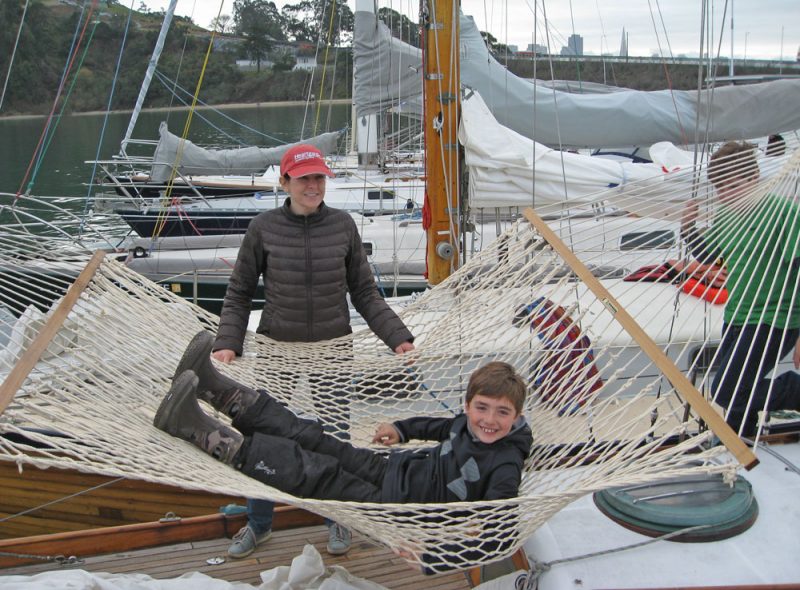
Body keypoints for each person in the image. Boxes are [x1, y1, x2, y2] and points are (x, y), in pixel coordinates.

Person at [156, 331, 532, 571]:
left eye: (502, 413)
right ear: (467, 406)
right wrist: (400, 429)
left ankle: (195, 428)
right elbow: (438, 426)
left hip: (396, 508)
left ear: (516, 417)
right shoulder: (465, 422)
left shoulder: (504, 464)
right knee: (313, 437)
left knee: (310, 471)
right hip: (389, 470)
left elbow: (499, 536)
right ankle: (215, 388)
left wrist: (435, 554)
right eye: (481, 408)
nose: (489, 420)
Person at [211, 144, 415, 558]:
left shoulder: (341, 226)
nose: (313, 185)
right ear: (285, 182)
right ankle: (259, 523)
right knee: (263, 437)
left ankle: (338, 517)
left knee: (334, 438)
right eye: (305, 178)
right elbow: (239, 293)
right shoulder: (263, 228)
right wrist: (227, 343)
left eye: (319, 177)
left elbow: (364, 292)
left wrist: (397, 336)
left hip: (333, 350)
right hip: (277, 350)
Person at [681, 141, 800, 437]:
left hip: (778, 317)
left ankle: (794, 391)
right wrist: (687, 229)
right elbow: (711, 257)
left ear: (755, 178)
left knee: (726, 389)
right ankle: (740, 443)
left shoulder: (783, 212)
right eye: (720, 188)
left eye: (732, 185)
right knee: (739, 393)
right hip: (738, 314)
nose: (725, 194)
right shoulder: (725, 216)